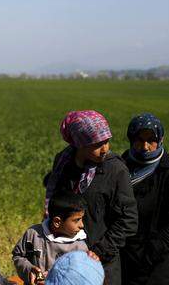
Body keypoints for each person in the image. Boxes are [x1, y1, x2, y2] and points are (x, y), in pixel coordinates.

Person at [44, 110, 138, 284]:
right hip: (64, 258)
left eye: (107, 141)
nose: (105, 149)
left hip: (101, 264)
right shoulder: (63, 164)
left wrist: (99, 251)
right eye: (97, 144)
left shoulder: (115, 170)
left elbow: (129, 219)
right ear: (80, 144)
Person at [119, 113, 169, 285]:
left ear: (160, 139)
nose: (145, 146)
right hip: (123, 261)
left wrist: (147, 256)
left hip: (155, 265)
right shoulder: (120, 168)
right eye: (139, 139)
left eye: (151, 140)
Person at [12, 191, 92, 284]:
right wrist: (29, 270)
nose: (82, 225)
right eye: (77, 220)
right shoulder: (33, 234)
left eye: (82, 219)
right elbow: (18, 255)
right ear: (57, 222)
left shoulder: (80, 247)